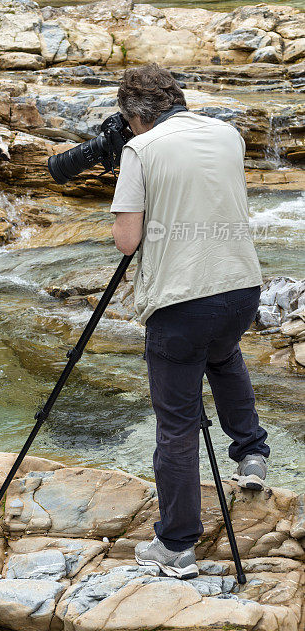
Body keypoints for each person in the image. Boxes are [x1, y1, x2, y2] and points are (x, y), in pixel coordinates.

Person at [110, 63, 269, 580]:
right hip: (241, 286)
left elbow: (127, 242)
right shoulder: (227, 132)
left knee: (176, 426)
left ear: (136, 116)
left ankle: (176, 545)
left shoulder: (140, 149)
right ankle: (251, 454)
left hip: (182, 301)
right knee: (223, 356)